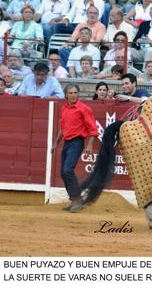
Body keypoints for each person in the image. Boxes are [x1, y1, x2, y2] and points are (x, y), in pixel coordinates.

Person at [51, 83, 98, 213]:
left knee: (67, 170)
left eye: (75, 93)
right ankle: (74, 201)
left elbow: (93, 129)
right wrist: (56, 143)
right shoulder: (65, 108)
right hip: (67, 142)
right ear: (66, 95)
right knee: (63, 173)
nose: (73, 95)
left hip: (77, 142)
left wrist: (89, 145)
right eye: (70, 93)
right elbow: (63, 128)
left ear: (78, 94)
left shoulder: (83, 108)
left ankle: (78, 200)